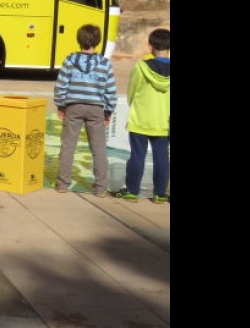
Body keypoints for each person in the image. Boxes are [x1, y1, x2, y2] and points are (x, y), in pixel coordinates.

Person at [52, 23, 118, 195]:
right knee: (98, 149)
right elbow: (110, 90)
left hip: (73, 107)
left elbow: (61, 86)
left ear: (78, 40)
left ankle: (62, 184)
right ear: (98, 41)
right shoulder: (104, 63)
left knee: (68, 146)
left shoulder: (70, 61)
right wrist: (108, 111)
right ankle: (101, 188)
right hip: (96, 108)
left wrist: (60, 105)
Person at [112, 28, 170, 204]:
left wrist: (134, 105)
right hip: (163, 120)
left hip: (140, 119)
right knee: (161, 157)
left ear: (150, 46)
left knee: (137, 155)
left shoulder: (141, 66)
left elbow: (132, 90)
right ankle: (160, 193)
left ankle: (132, 191)